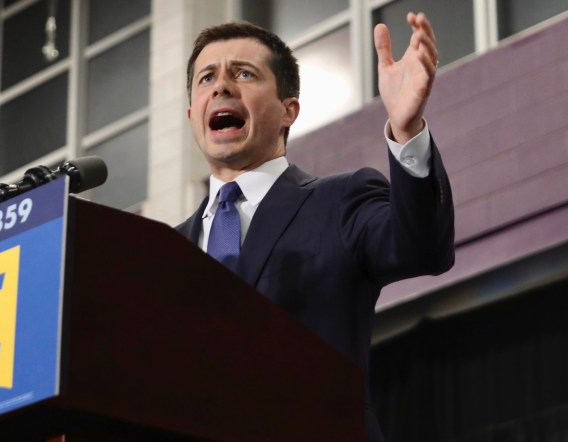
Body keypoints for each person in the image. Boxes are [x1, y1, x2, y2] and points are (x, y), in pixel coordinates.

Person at [175, 13, 455, 442]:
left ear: (289, 110)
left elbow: (422, 248)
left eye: (244, 73)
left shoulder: (339, 201)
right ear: (193, 113)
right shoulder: (165, 252)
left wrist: (407, 131)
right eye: (206, 78)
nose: (221, 87)